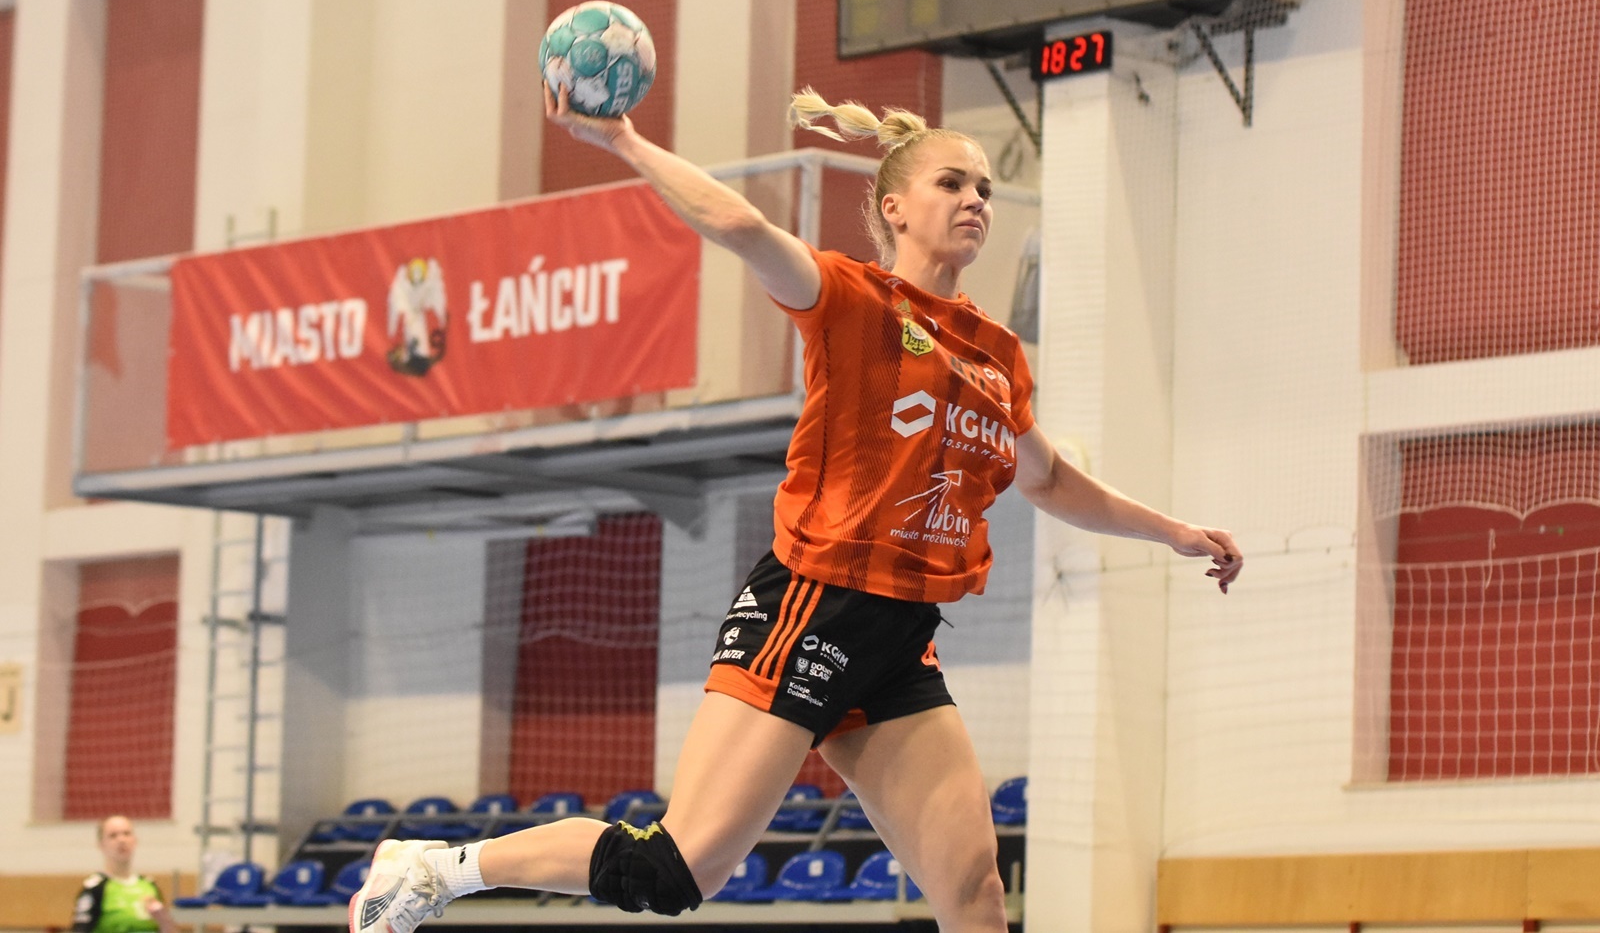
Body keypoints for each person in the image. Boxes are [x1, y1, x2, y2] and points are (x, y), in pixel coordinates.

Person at [349, 85, 1243, 933]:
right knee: (673, 870)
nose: (975, 198)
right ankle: (436, 868)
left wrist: (1172, 532)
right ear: (895, 208)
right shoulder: (852, 300)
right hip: (814, 603)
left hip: (901, 636)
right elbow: (739, 225)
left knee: (974, 888)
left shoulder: (997, 354)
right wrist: (623, 140)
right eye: (950, 182)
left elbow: (1048, 480)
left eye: (982, 186)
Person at [72, 816, 177, 933]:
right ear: (101, 845)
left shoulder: (149, 885)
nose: (121, 840)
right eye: (113, 836)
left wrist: (164, 920)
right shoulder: (96, 888)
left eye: (126, 834)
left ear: (135, 840)